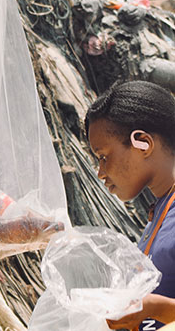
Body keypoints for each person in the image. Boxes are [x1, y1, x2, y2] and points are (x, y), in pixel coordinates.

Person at [86, 80, 175, 330]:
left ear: (143, 143)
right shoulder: (161, 209)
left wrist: (154, 308)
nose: (100, 172)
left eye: (104, 157)